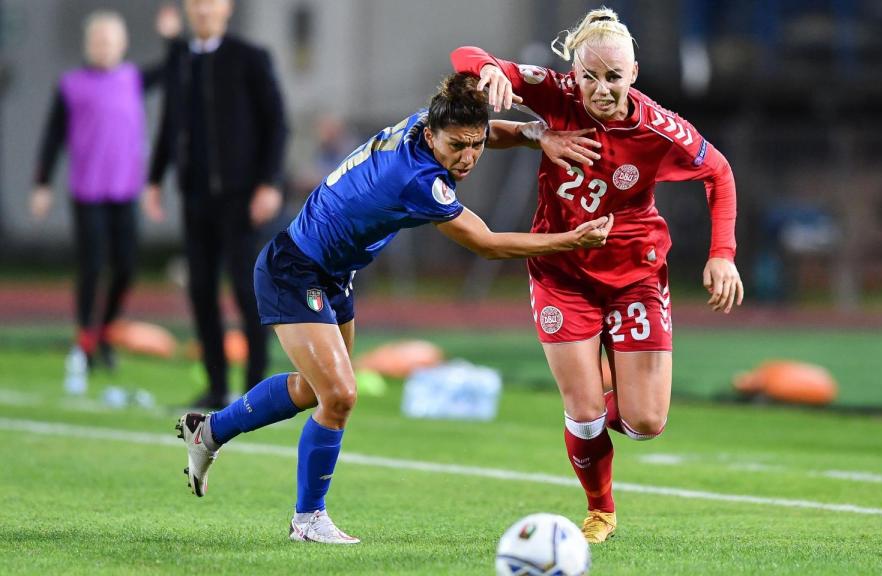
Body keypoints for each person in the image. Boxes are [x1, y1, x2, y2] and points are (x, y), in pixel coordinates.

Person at [173, 73, 614, 544]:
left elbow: (488, 130)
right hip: (294, 269)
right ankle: (307, 520)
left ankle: (210, 430)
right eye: (457, 147)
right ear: (431, 137)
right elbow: (486, 243)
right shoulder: (416, 179)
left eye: (475, 146)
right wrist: (570, 241)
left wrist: (534, 134)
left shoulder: (429, 121)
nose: (467, 158)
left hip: (333, 273)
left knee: (315, 391)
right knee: (340, 395)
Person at [451, 7, 743, 543]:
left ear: (633, 74)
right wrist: (489, 69)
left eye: (614, 77)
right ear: (576, 72)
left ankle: (601, 396)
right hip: (562, 272)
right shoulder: (555, 94)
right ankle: (600, 509)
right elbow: (465, 57)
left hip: (636, 274)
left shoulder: (658, 126)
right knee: (584, 415)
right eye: (590, 76)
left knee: (646, 424)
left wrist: (721, 253)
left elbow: (719, 172)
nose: (601, 88)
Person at [145, 0, 288, 409]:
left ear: (228, 8)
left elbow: (277, 123)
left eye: (211, 2)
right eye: (196, 3)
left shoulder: (250, 58)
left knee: (248, 290)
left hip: (243, 199)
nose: (203, 9)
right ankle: (216, 385)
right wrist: (155, 179)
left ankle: (257, 388)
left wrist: (269, 182)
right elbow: (170, 125)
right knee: (201, 291)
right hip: (195, 198)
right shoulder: (182, 63)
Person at [31, 9, 171, 369]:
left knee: (126, 266)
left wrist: (171, 37)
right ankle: (85, 341)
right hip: (88, 191)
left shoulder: (133, 79)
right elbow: (52, 136)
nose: (103, 46)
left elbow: (177, 65)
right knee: (92, 267)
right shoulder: (71, 85)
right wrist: (42, 182)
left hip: (124, 190)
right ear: (88, 44)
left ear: (122, 44)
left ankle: (106, 332)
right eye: (97, 40)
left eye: (110, 40)